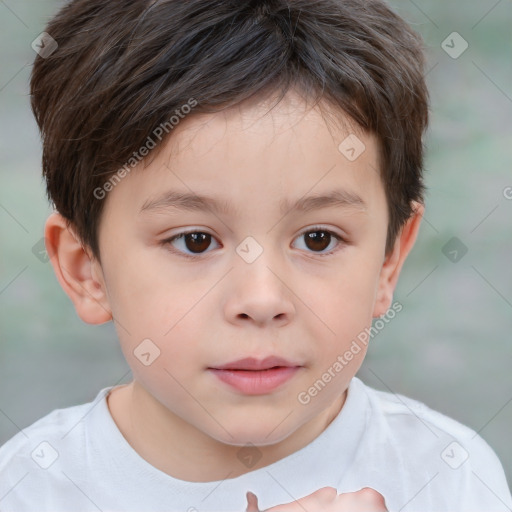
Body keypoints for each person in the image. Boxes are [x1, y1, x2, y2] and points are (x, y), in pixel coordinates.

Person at [0, 0, 510, 511]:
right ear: (86, 271)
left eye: (318, 239)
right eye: (195, 240)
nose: (262, 300)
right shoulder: (29, 487)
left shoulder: (447, 475)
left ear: (388, 261)